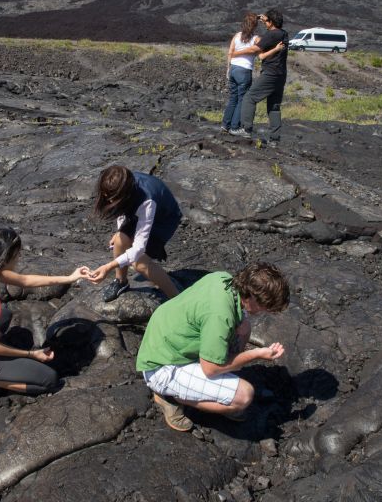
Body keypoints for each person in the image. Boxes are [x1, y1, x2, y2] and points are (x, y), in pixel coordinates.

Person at [135, 262, 290, 431]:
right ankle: (170, 397)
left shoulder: (224, 279)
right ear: (251, 296)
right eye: (264, 307)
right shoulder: (219, 317)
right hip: (160, 366)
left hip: (165, 339)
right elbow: (210, 369)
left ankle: (210, 381)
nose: (264, 311)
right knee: (243, 396)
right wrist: (255, 354)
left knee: (245, 328)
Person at [0, 228, 90, 403]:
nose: (18, 259)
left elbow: (25, 281)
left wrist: (69, 278)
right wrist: (31, 354)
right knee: (49, 379)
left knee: (4, 314)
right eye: (17, 255)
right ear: (7, 258)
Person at [88, 165, 183, 302]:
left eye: (112, 198)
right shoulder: (122, 182)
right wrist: (120, 231)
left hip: (163, 219)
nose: (108, 200)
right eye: (106, 196)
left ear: (123, 195)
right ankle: (121, 282)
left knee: (139, 263)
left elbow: (138, 248)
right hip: (138, 210)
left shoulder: (147, 201)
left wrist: (108, 266)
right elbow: (121, 211)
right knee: (120, 240)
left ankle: (177, 299)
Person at [229, 9, 289, 145]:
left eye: (266, 21)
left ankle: (246, 129)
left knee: (249, 98)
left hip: (270, 74)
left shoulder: (271, 35)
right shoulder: (284, 34)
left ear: (271, 22)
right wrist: (265, 19)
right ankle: (274, 139)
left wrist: (236, 52)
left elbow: (254, 49)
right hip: (281, 75)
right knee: (274, 106)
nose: (264, 23)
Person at [222, 12, 260, 133]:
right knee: (241, 100)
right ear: (255, 26)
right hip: (244, 70)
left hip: (233, 68)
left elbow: (230, 52)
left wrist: (228, 68)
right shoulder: (256, 39)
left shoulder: (237, 35)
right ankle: (234, 127)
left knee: (233, 98)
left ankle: (225, 125)